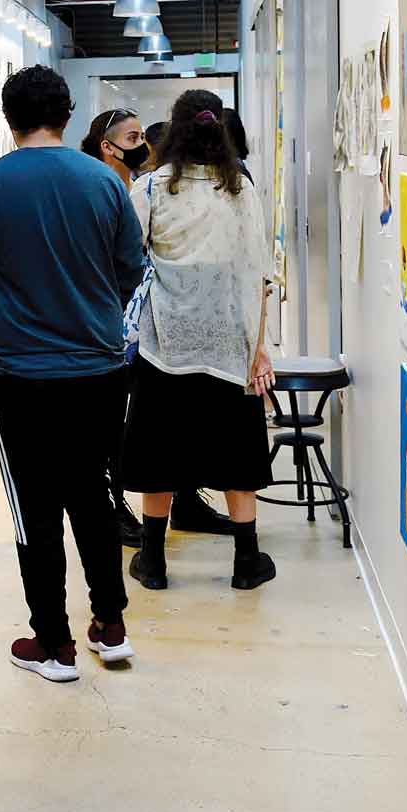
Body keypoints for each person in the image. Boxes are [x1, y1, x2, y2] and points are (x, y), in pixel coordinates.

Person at [0, 67, 144, 682]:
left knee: (32, 506)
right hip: (100, 367)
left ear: (9, 119)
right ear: (67, 116)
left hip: (22, 374)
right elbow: (131, 268)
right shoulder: (103, 182)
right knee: (91, 494)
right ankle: (110, 626)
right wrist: (90, 304)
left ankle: (54, 644)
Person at [120, 90, 280, 592]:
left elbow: (127, 259)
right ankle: (246, 561)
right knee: (237, 454)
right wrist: (258, 348)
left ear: (176, 129)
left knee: (158, 454)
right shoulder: (241, 191)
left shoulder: (150, 188)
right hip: (229, 345)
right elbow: (259, 275)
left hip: (164, 344)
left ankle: (153, 562)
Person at [80, 108, 148, 187]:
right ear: (107, 147)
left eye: (142, 137)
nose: (141, 143)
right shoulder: (93, 190)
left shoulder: (143, 190)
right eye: (132, 138)